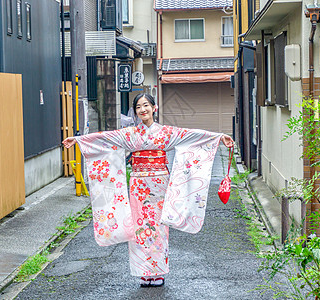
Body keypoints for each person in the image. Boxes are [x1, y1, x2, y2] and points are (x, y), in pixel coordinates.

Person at [62, 93, 234, 287]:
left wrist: (219, 137)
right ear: (135, 112)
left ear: (154, 108)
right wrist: (78, 140)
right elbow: (105, 137)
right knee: (139, 228)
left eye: (146, 105)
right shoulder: (130, 134)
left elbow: (191, 135)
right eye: (138, 107)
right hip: (138, 186)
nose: (143, 110)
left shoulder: (166, 132)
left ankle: (158, 271)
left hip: (159, 184)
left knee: (159, 228)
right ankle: (144, 271)